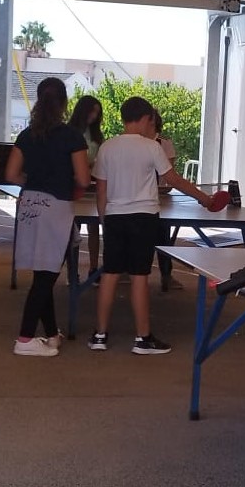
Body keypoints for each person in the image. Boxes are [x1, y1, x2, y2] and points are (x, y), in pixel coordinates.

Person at [89, 96, 213, 355]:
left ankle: (99, 335)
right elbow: (174, 180)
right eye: (151, 121)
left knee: (110, 274)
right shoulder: (151, 147)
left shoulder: (107, 147)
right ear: (146, 119)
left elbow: (101, 190)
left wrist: (104, 220)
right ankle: (142, 339)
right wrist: (204, 198)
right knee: (139, 276)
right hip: (143, 217)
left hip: (114, 217)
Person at [6, 77, 91, 356]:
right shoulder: (72, 136)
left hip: (29, 203)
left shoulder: (26, 135)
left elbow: (11, 174)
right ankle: (25, 338)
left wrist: (33, 181)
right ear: (64, 103)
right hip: (56, 208)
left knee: (42, 272)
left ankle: (52, 334)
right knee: (47, 276)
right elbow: (83, 178)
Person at [68, 95, 104, 280]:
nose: (94, 116)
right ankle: (72, 272)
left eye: (97, 113)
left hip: (92, 184)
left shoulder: (97, 135)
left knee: (94, 228)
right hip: (73, 183)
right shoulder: (69, 131)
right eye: (92, 111)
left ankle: (93, 269)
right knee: (72, 229)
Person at [147, 109, 183, 292]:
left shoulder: (164, 143)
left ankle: (166, 274)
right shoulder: (135, 143)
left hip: (162, 198)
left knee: (163, 235)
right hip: (141, 199)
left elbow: (170, 174)